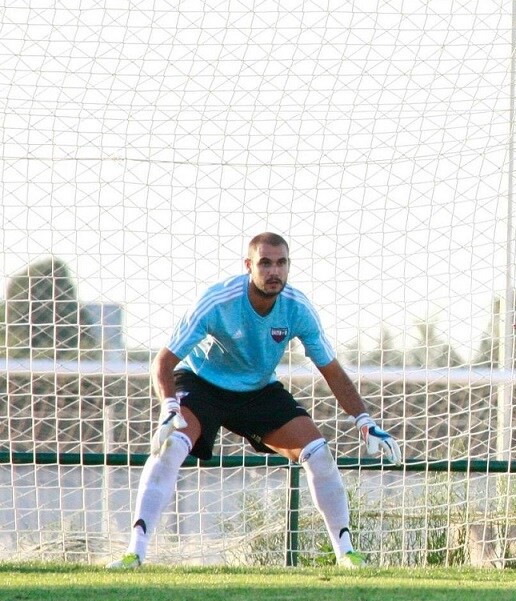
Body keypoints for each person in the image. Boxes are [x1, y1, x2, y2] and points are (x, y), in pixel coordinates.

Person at [106, 233, 400, 569]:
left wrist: (365, 421)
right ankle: (135, 551)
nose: (274, 271)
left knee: (318, 453)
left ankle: (346, 553)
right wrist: (169, 406)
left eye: (281, 263)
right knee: (170, 446)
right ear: (249, 266)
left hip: (259, 390)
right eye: (265, 262)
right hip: (203, 384)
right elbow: (164, 361)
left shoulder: (298, 308)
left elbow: (331, 370)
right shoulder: (217, 301)